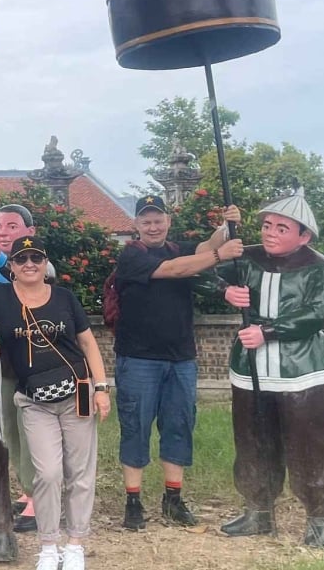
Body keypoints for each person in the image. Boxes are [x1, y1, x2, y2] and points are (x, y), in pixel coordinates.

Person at [0, 236, 111, 570]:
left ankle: (76, 543)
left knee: (80, 473)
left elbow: (87, 342)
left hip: (75, 393)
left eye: (35, 258)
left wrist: (101, 387)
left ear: (45, 264)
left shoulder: (65, 298)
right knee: (48, 473)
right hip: (33, 399)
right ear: (11, 266)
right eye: (22, 259)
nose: (29, 265)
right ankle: (49, 544)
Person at [112, 195, 244, 530]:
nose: (153, 226)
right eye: (146, 221)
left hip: (181, 358)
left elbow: (204, 247)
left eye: (158, 220)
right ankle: (133, 500)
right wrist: (218, 255)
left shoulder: (179, 247)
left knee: (179, 425)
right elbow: (176, 269)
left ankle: (173, 499)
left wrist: (226, 226)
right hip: (139, 358)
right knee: (135, 428)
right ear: (136, 225)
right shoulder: (131, 256)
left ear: (168, 221)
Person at [217, 187, 324, 549]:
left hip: (302, 370)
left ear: (304, 237)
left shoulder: (321, 268)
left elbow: (316, 314)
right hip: (250, 367)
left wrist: (268, 331)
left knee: (308, 442)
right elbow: (200, 273)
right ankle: (258, 509)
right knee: (253, 438)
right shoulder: (245, 259)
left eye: (281, 228)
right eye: (267, 225)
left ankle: (318, 517)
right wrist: (225, 290)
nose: (270, 232)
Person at [0, 204, 50, 532]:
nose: (3, 233)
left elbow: (39, 286)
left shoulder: (36, 262)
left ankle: (40, 497)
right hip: (2, 363)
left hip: (34, 363)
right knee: (9, 429)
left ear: (29, 232)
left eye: (12, 226)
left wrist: (0, 260)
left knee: (33, 429)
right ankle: (26, 487)